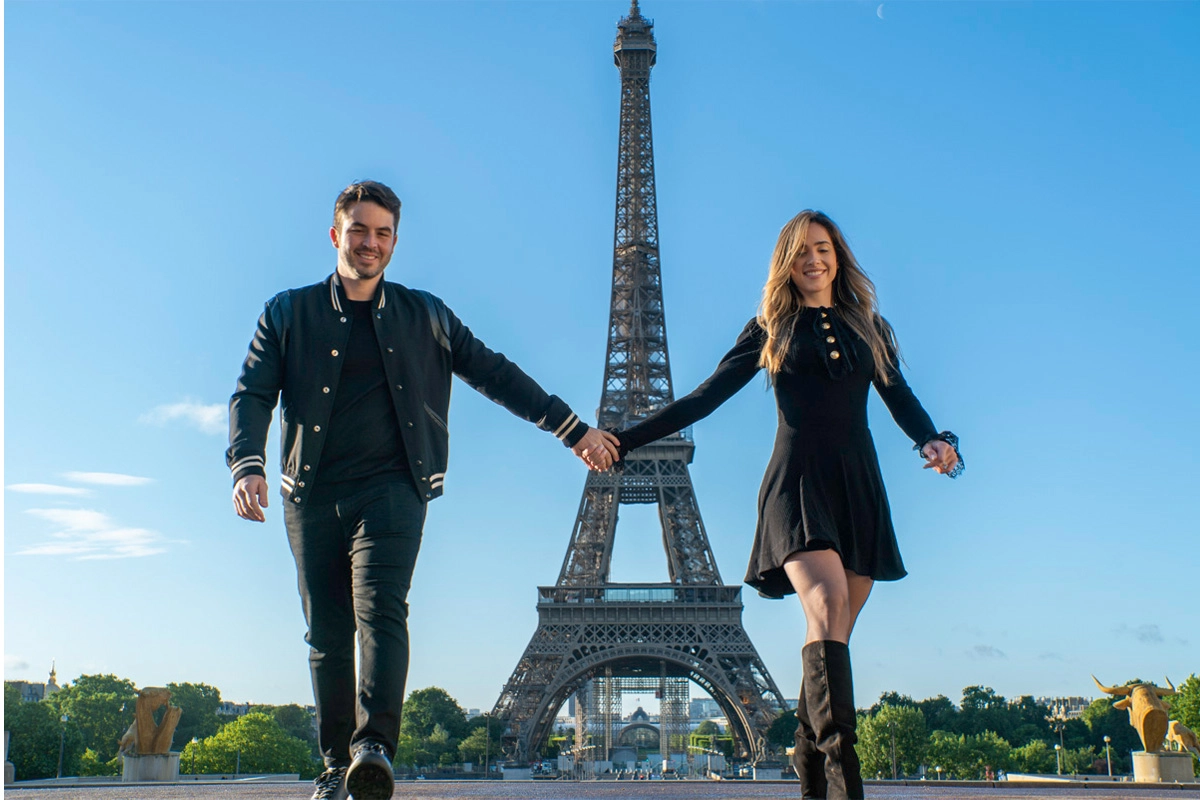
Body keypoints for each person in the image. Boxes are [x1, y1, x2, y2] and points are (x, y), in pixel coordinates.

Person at [226, 180, 618, 800]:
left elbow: (494, 372)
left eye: (382, 234)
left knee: (381, 608)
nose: (370, 243)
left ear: (395, 242)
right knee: (327, 632)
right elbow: (252, 392)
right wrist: (246, 463)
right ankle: (335, 767)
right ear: (336, 235)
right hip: (312, 490)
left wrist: (571, 429)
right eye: (359, 231)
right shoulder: (287, 311)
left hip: (395, 487)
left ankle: (373, 744)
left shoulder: (426, 315)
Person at [608, 210, 962, 800]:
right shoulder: (769, 327)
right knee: (825, 603)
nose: (814, 260)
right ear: (786, 264)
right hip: (796, 484)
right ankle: (846, 784)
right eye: (801, 252)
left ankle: (809, 777)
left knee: (835, 629)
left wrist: (935, 440)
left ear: (839, 256)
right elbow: (705, 396)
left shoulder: (869, 327)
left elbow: (899, 395)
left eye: (823, 249)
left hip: (858, 487)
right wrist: (627, 440)